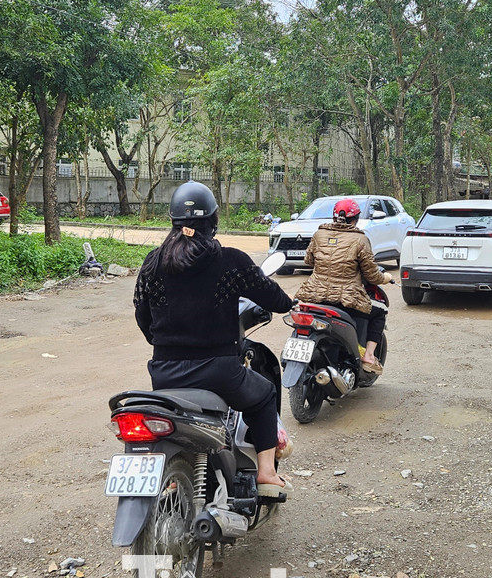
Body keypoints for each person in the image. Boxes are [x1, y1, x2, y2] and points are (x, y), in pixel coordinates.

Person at [133, 181, 294, 496]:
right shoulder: (230, 261)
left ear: (173, 220)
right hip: (220, 373)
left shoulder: (152, 262)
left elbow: (142, 314)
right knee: (263, 397)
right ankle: (265, 473)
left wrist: (165, 343)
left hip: (164, 375)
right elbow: (271, 296)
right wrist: (289, 304)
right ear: (214, 221)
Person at [295, 198, 393, 374]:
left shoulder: (319, 234)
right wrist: (384, 278)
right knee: (379, 312)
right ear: (355, 219)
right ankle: (369, 356)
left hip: (313, 296)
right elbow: (371, 274)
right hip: (345, 299)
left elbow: (308, 260)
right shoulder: (360, 239)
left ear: (334, 217)